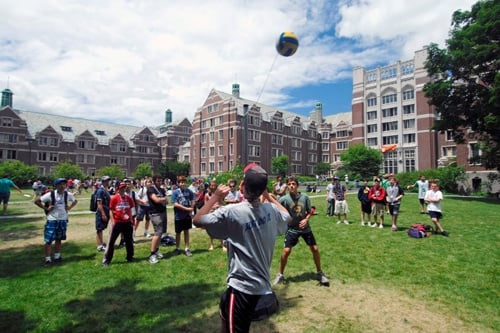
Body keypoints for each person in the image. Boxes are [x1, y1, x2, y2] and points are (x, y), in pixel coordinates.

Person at [193, 163, 291, 333]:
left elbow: (197, 220)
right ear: (263, 190)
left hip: (241, 289)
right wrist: (269, 196)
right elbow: (287, 216)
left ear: (242, 186)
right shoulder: (271, 210)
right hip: (260, 285)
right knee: (225, 313)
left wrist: (215, 197)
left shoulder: (232, 212)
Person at [273, 176, 330, 287]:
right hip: (292, 229)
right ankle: (280, 275)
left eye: (293, 184)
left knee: (315, 249)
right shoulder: (284, 199)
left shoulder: (305, 197)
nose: (291, 186)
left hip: (305, 229)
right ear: (287, 186)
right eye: (289, 184)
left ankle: (319, 272)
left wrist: (306, 219)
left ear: (297, 185)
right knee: (286, 251)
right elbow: (277, 208)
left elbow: (310, 211)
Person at [34, 178, 78, 265]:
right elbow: (37, 201)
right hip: (52, 219)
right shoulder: (50, 194)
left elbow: (75, 201)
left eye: (64, 184)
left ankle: (57, 256)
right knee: (49, 240)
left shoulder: (67, 194)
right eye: (60, 184)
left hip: (63, 219)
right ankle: (48, 259)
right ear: (56, 185)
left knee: (59, 238)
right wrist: (46, 208)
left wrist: (69, 208)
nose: (62, 186)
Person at [102, 182, 135, 266]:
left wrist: (131, 220)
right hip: (117, 222)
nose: (123, 189)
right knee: (111, 241)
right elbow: (111, 210)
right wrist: (113, 221)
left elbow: (131, 209)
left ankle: (130, 257)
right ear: (118, 189)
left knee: (129, 241)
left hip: (127, 222)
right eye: (121, 188)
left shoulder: (128, 198)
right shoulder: (114, 198)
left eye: (124, 188)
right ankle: (107, 260)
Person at [171, 175, 195, 257]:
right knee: (178, 232)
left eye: (184, 182)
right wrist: (186, 209)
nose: (182, 184)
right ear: (178, 183)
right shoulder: (175, 192)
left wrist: (191, 208)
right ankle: (177, 248)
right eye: (181, 182)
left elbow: (193, 200)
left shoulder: (189, 191)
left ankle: (187, 248)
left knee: (186, 231)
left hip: (186, 216)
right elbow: (175, 204)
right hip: (178, 215)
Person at [147, 174, 168, 264]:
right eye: (158, 180)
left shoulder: (162, 190)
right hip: (155, 214)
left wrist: (163, 199)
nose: (159, 182)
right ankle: (152, 254)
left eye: (160, 180)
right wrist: (163, 199)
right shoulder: (151, 189)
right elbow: (156, 200)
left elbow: (166, 201)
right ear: (154, 181)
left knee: (161, 233)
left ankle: (156, 250)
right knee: (157, 233)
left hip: (163, 212)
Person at [204, 180, 226, 251]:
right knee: (211, 229)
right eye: (211, 185)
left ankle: (223, 245)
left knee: (221, 228)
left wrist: (219, 206)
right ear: (209, 186)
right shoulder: (207, 195)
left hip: (218, 211)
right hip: (211, 212)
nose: (213, 187)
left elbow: (221, 202)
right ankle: (211, 244)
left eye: (214, 185)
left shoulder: (218, 194)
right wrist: (212, 207)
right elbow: (205, 205)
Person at [95, 176, 112, 251]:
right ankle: (100, 245)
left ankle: (101, 243)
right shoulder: (100, 191)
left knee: (102, 228)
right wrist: (103, 214)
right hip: (102, 212)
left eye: (108, 180)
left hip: (106, 211)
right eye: (106, 181)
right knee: (99, 229)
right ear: (103, 182)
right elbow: (99, 203)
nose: (108, 182)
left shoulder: (105, 190)